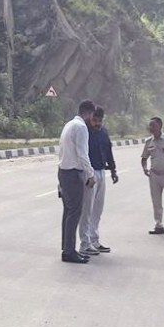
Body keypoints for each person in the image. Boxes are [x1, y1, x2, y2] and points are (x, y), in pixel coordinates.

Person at [57, 100, 97, 264]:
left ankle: (67, 248)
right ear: (88, 113)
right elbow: (82, 154)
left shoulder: (69, 125)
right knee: (75, 213)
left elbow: (62, 152)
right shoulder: (81, 128)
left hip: (63, 172)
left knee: (68, 212)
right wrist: (91, 174)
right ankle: (69, 251)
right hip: (73, 174)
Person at [79, 107, 119, 257]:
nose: (97, 123)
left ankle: (94, 240)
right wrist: (88, 174)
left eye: (100, 120)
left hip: (102, 171)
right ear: (90, 118)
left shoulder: (103, 132)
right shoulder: (85, 132)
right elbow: (82, 154)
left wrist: (113, 170)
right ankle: (85, 243)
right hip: (89, 173)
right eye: (95, 120)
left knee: (98, 209)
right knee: (87, 210)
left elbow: (108, 151)